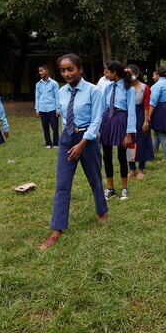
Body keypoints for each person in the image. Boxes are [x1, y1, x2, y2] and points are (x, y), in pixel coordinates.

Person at [40, 54, 107, 249]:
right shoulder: (61, 92)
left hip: (88, 139)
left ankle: (101, 210)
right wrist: (68, 139)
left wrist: (83, 143)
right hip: (67, 140)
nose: (67, 73)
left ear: (80, 69)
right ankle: (57, 229)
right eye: (62, 70)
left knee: (95, 179)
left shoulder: (94, 91)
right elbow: (63, 116)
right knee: (62, 185)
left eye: (70, 69)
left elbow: (97, 119)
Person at [98, 60, 136, 201]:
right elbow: (102, 109)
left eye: (106, 71)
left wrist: (129, 133)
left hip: (121, 120)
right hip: (108, 120)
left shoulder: (128, 88)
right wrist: (99, 128)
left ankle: (124, 188)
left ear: (114, 73)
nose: (104, 73)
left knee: (121, 156)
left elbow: (131, 112)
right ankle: (110, 188)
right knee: (106, 156)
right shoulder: (107, 88)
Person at [125, 64, 153, 179]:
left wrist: (146, 121)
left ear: (136, 74)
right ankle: (131, 168)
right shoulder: (125, 87)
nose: (128, 76)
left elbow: (146, 105)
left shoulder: (144, 88)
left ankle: (141, 169)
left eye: (130, 74)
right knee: (129, 142)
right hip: (128, 115)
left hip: (140, 114)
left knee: (142, 142)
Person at [148, 66, 166, 162]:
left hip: (161, 109)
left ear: (158, 74)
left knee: (161, 134)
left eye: (154, 75)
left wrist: (148, 115)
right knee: (157, 132)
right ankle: (150, 154)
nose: (153, 77)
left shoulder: (157, 85)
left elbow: (153, 101)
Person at [34, 65, 61, 148]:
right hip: (42, 109)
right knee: (45, 128)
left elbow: (57, 97)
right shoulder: (38, 84)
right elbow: (37, 97)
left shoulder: (54, 83)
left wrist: (58, 109)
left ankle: (56, 143)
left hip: (52, 109)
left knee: (55, 127)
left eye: (42, 71)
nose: (40, 73)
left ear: (47, 71)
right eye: (39, 71)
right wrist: (37, 110)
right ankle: (48, 143)